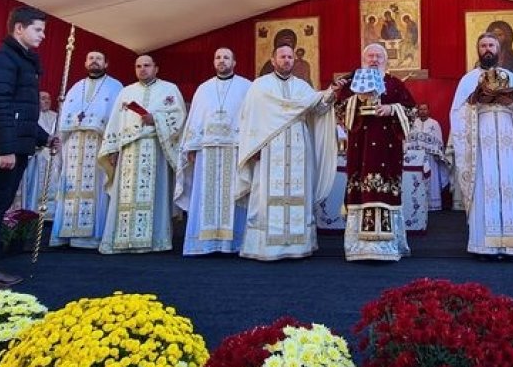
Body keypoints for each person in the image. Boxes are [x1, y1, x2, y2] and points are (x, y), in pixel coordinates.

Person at [0, 6, 58, 293]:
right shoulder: (0, 60)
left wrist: (43, 138)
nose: (42, 36)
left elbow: (22, 113)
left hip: (9, 145)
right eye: (38, 30)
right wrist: (5, 149)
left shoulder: (19, 60)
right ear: (19, 28)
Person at [235, 44, 338, 261]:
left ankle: (298, 245)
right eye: (282, 56)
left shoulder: (302, 87)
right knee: (265, 195)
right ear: (273, 60)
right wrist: (252, 148)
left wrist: (330, 94)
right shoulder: (260, 86)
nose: (287, 60)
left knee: (298, 193)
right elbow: (248, 118)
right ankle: (266, 248)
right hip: (269, 148)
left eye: (290, 57)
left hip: (298, 147)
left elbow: (318, 108)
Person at [449, 33, 513, 259]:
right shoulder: (468, 79)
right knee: (483, 186)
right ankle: (484, 246)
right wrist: (475, 102)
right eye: (483, 46)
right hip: (481, 141)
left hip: (508, 139)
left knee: (510, 185)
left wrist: (512, 103)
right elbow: (457, 113)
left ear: (499, 49)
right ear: (478, 50)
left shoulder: (512, 77)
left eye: (491, 45)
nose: (487, 49)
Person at [334, 43, 416, 261]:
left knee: (386, 192)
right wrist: (358, 99)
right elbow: (339, 111)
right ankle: (358, 247)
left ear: (385, 60)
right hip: (360, 151)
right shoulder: (352, 84)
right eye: (370, 56)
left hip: (388, 152)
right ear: (363, 60)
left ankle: (389, 247)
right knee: (360, 191)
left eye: (379, 56)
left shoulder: (395, 84)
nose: (374, 59)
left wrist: (392, 109)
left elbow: (412, 111)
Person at [97, 55, 186, 254]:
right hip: (128, 150)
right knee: (125, 196)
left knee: (156, 194)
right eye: (138, 66)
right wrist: (113, 149)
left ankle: (155, 240)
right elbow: (115, 122)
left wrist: (156, 119)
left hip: (156, 149)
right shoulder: (126, 92)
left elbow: (179, 117)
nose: (142, 69)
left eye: (147, 65)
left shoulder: (169, 89)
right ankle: (124, 239)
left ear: (156, 68)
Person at [174, 48, 253, 255]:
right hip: (206, 150)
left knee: (233, 194)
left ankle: (233, 244)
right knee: (205, 196)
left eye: (226, 57)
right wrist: (191, 147)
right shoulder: (204, 88)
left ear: (234, 62)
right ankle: (204, 244)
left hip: (234, 149)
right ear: (213, 62)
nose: (222, 61)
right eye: (218, 57)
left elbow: (252, 117)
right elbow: (195, 118)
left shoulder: (246, 86)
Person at [50, 51, 122, 249]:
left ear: (106, 63)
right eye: (90, 58)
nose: (94, 62)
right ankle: (66, 234)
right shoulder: (75, 87)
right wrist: (58, 137)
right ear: (85, 62)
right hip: (73, 144)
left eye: (98, 59)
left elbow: (117, 118)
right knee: (70, 186)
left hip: (98, 144)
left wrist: (114, 146)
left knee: (97, 187)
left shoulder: (115, 87)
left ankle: (92, 237)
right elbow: (64, 116)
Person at [17, 91, 61, 212]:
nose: (46, 101)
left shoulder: (57, 116)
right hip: (36, 157)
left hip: (53, 157)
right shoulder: (31, 116)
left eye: (48, 98)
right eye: (43, 98)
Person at [406, 104, 449, 211]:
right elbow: (408, 139)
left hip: (430, 157)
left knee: (431, 179)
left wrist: (437, 153)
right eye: (420, 109)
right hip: (415, 158)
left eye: (425, 109)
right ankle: (417, 204)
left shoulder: (434, 124)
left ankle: (432, 204)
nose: (422, 111)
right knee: (417, 179)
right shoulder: (413, 123)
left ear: (428, 110)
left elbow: (439, 141)